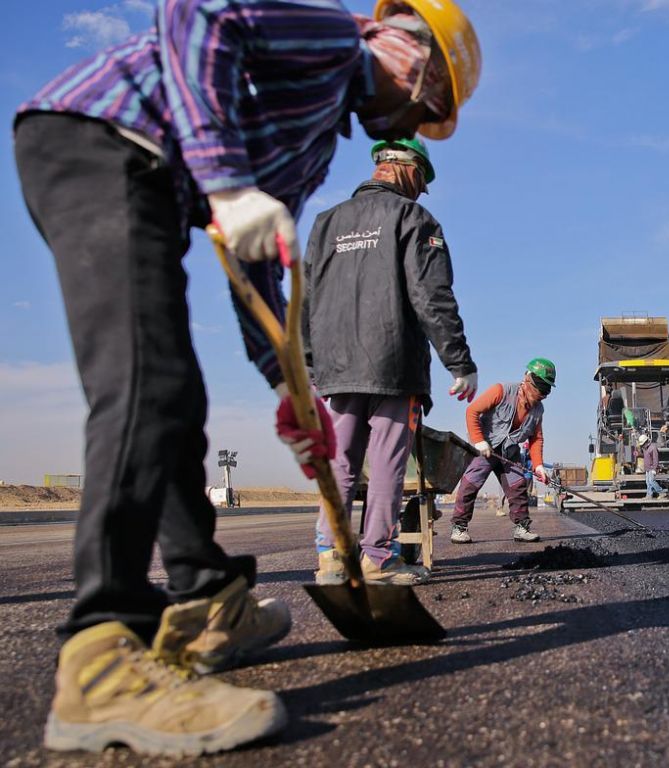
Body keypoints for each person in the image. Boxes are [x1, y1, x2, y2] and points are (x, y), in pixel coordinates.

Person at [13, 0, 480, 756]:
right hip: (97, 139)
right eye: (427, 105)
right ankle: (102, 658)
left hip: (149, 177)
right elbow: (196, 14)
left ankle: (206, 599)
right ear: (410, 56)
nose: (417, 119)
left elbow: (256, 257)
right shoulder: (332, 37)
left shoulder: (314, 145)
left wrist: (286, 383)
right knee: (144, 388)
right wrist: (227, 183)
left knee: (176, 401)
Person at [304, 137, 477, 586]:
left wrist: (309, 362)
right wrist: (459, 362)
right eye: (422, 181)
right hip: (393, 363)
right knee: (385, 463)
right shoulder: (413, 218)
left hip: (335, 368)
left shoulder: (325, 224)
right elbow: (432, 296)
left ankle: (331, 557)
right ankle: (377, 558)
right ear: (408, 168)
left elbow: (305, 299)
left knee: (339, 460)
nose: (421, 191)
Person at [451, 359, 556, 544]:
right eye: (539, 388)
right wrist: (479, 441)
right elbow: (472, 411)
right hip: (485, 447)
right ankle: (459, 528)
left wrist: (539, 466)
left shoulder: (538, 410)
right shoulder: (501, 391)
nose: (542, 394)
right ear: (527, 379)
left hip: (509, 452)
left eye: (546, 390)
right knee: (470, 484)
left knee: (518, 487)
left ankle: (522, 528)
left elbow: (536, 438)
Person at [639, 434, 666, 499]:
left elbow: (656, 459)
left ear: (646, 441)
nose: (642, 445)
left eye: (643, 444)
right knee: (648, 482)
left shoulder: (653, 447)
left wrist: (654, 468)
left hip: (651, 468)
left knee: (652, 481)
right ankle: (649, 495)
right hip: (647, 468)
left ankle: (661, 492)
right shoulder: (645, 448)